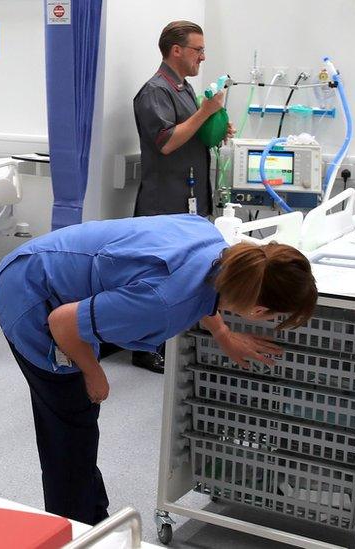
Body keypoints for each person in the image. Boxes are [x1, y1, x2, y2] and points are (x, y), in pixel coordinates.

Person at [0, 213, 318, 525]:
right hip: (31, 294)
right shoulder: (163, 305)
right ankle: (74, 529)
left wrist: (222, 333)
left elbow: (201, 286)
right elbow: (62, 324)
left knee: (79, 426)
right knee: (68, 428)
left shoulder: (212, 241)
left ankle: (91, 518)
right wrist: (94, 373)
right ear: (260, 309)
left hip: (49, 260)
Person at [128, 20, 234, 373]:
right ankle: (144, 349)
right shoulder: (154, 92)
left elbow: (191, 133)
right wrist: (207, 111)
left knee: (183, 276)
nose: (203, 57)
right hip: (163, 203)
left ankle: (169, 342)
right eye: (198, 50)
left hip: (187, 199)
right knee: (156, 278)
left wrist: (216, 127)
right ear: (177, 50)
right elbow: (167, 141)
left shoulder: (185, 90)